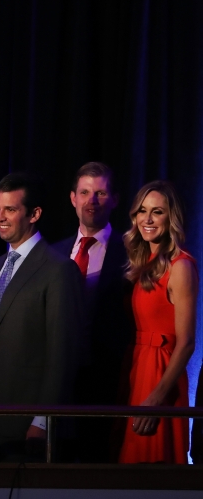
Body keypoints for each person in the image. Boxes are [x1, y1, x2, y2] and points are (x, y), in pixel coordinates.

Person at [0, 172, 82, 462]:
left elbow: (61, 357)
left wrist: (42, 421)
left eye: (10, 209)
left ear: (34, 214)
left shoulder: (58, 270)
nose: (0, 217)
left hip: (29, 430)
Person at [52, 162, 132, 462]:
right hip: (60, 384)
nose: (92, 200)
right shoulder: (53, 253)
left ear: (115, 199)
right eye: (85, 192)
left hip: (108, 384)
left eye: (100, 192)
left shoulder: (131, 252)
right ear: (73, 198)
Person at [118, 180, 198, 464]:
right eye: (142, 211)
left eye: (157, 212)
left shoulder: (182, 266)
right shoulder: (144, 262)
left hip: (160, 376)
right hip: (138, 368)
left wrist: (157, 397)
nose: (147, 219)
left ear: (171, 217)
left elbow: (187, 342)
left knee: (152, 467)